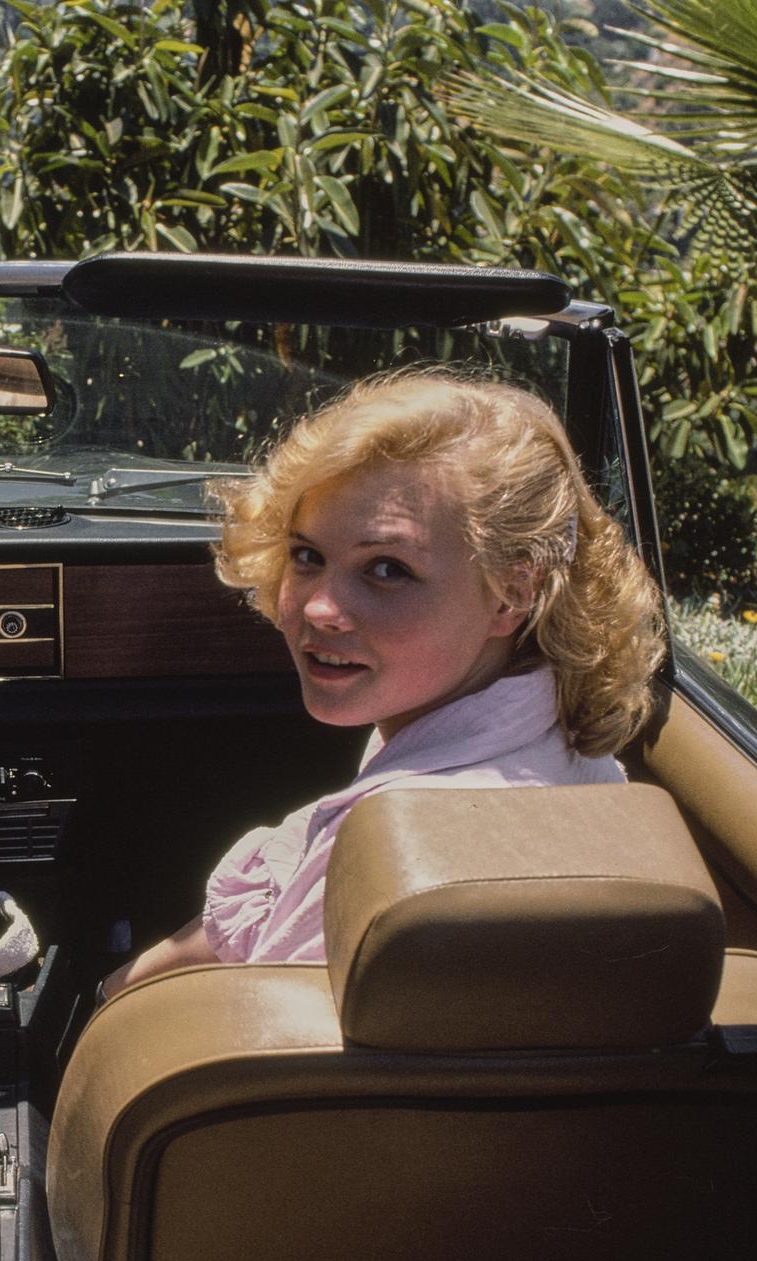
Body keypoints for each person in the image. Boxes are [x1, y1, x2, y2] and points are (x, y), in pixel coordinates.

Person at [99, 370, 667, 996]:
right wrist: (117, 987)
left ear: (513, 593)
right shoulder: (550, 738)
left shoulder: (395, 850)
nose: (319, 608)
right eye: (307, 555)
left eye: (387, 569)